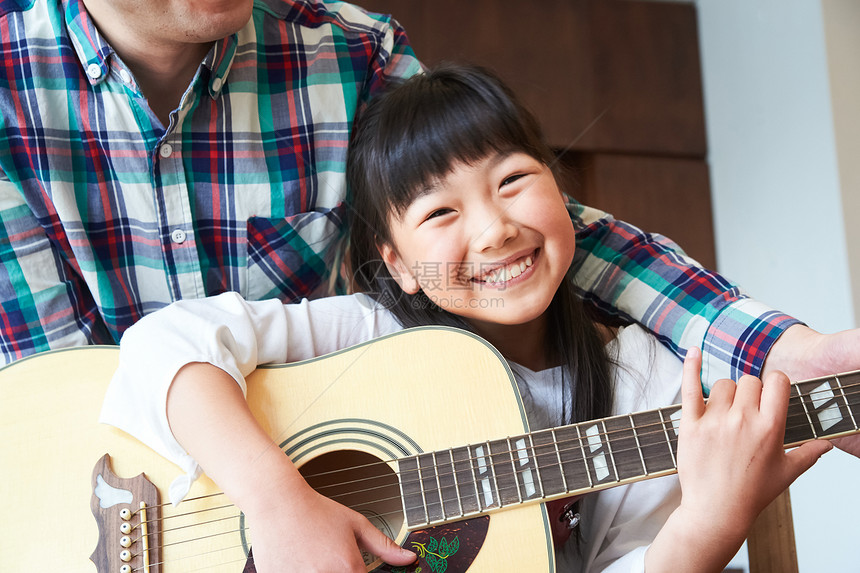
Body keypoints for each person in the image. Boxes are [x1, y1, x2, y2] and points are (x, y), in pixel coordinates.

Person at [102, 64, 833, 572]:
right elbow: (165, 343)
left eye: (514, 180)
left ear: (563, 191)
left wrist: (711, 521)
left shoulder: (653, 383)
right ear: (395, 263)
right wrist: (277, 501)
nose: (493, 230)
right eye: (441, 211)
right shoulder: (367, 336)